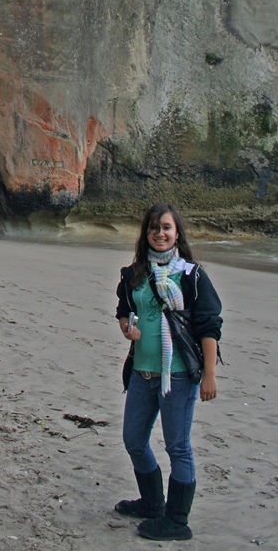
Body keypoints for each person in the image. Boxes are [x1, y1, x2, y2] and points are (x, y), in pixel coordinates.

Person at [114, 203, 222, 541]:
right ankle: (152, 504)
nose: (159, 233)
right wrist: (127, 329)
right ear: (145, 234)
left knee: (178, 447)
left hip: (177, 375)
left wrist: (209, 374)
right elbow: (124, 310)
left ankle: (177, 521)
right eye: (153, 228)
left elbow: (208, 326)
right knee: (134, 440)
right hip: (142, 374)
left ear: (177, 233)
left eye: (166, 227)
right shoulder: (133, 274)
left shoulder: (191, 276)